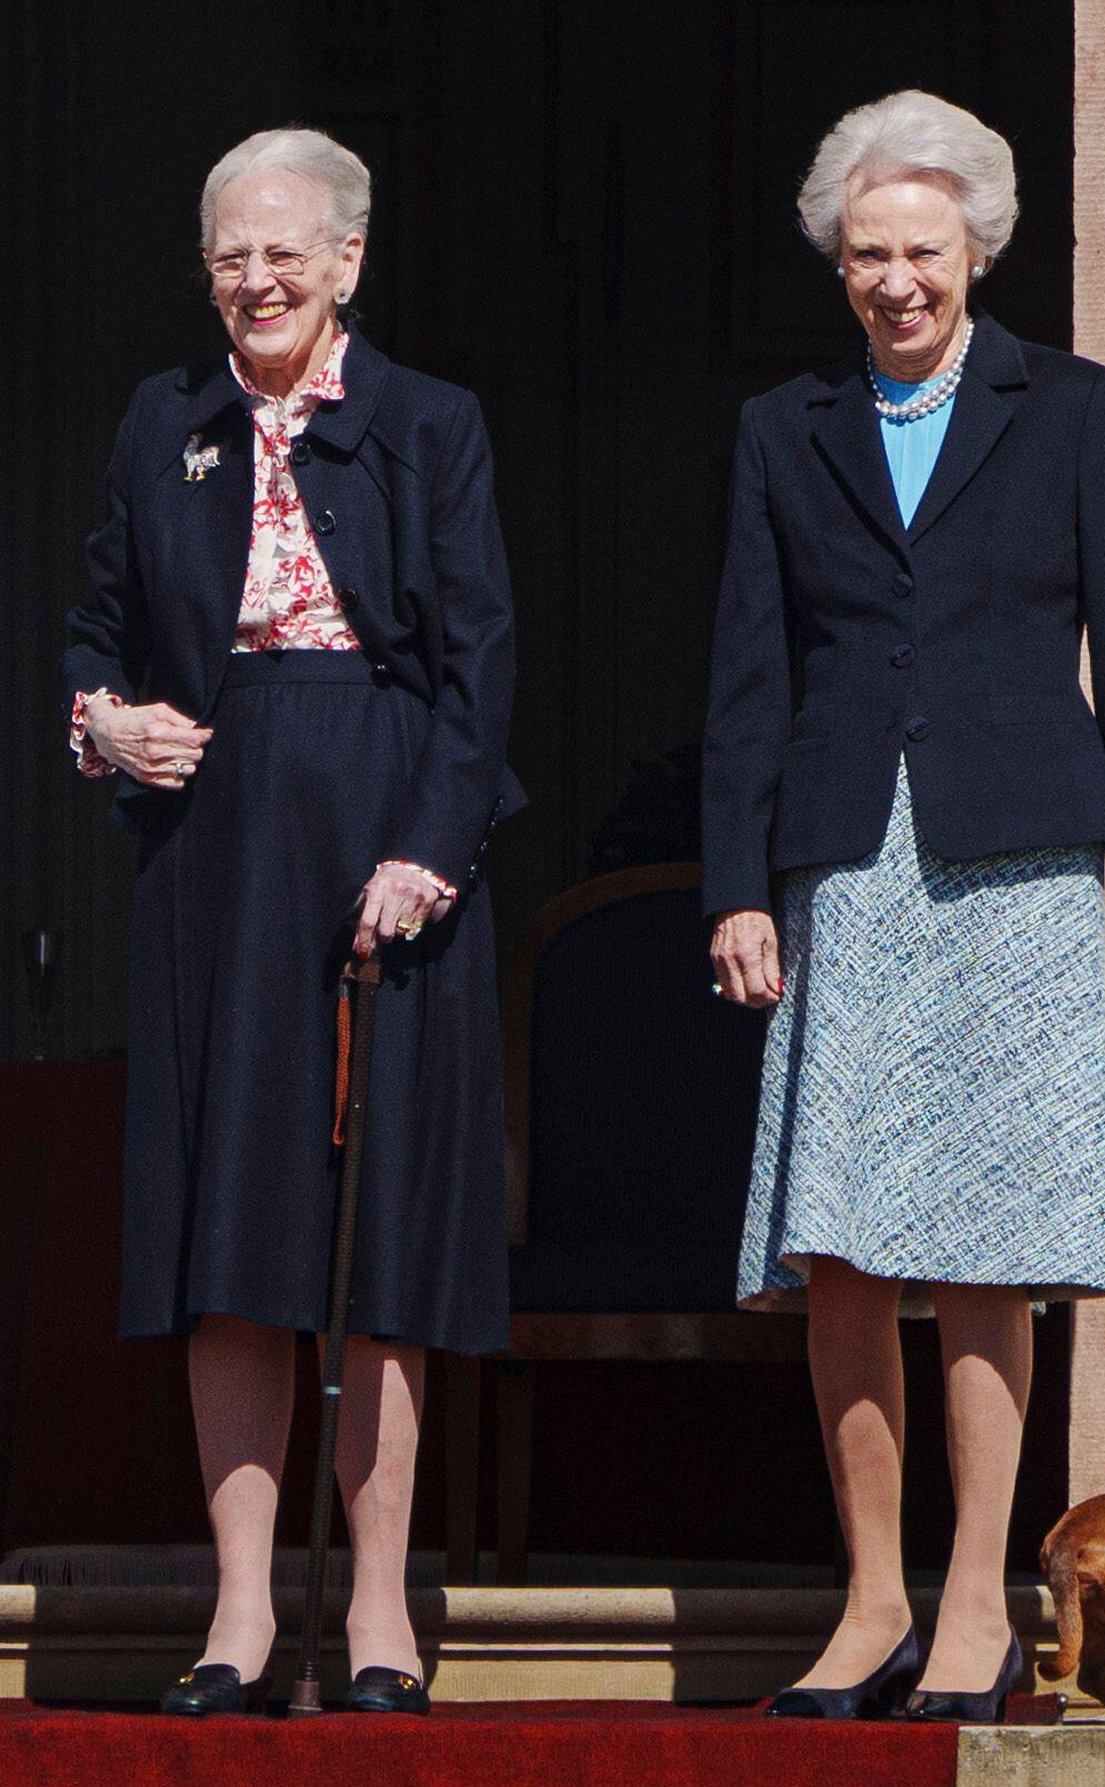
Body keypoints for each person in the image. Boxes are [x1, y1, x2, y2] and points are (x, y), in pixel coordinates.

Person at [703, 89, 1105, 1724]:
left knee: (989, 1237)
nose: (896, 281)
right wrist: (737, 886)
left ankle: (976, 1603)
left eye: (923, 251)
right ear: (836, 264)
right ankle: (870, 1605)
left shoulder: (1074, 406)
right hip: (847, 863)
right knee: (842, 1239)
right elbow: (747, 675)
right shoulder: (786, 427)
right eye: (867, 256)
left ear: (977, 249)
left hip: (1021, 857)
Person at [62, 127, 522, 1716]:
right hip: (218, 840)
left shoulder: (430, 422)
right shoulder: (163, 421)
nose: (255, 281)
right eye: (230, 257)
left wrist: (427, 853)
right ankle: (243, 1614)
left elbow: (478, 665)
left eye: (283, 254)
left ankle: (381, 1616)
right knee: (232, 1233)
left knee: (375, 1234)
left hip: (389, 832)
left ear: (346, 262)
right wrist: (105, 722)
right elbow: (96, 630)